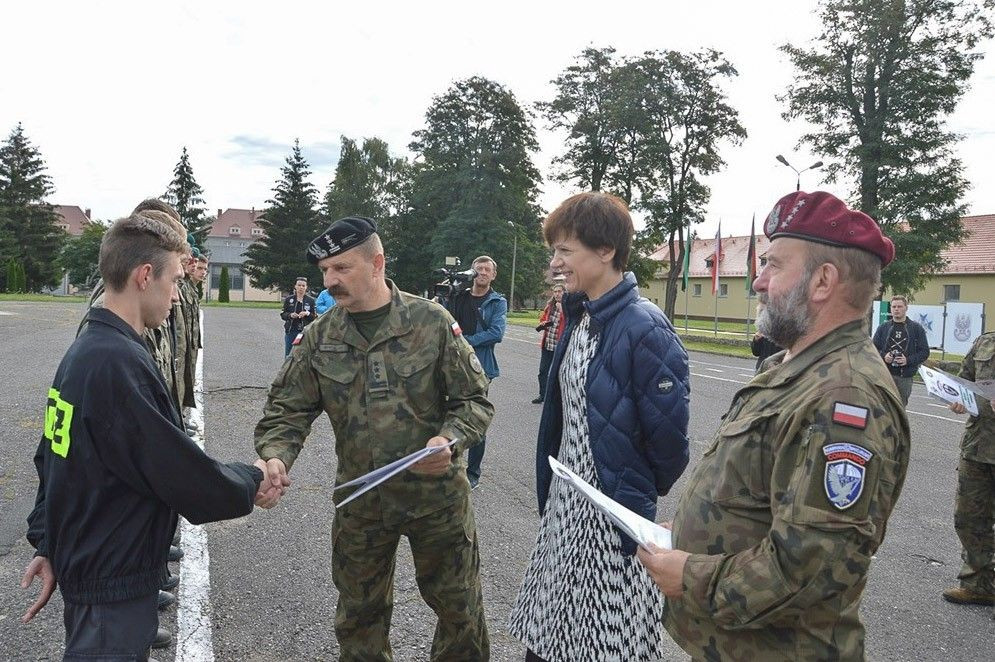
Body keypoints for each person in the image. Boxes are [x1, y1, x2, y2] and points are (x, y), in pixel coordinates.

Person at [638, 190, 911, 661]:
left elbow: (810, 567)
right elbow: (758, 495)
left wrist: (691, 575)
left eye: (773, 265)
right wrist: (689, 533)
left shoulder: (842, 396)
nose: (758, 282)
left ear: (822, 281)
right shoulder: (796, 367)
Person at [21, 212, 270, 660]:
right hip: (111, 581)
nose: (178, 294)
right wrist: (253, 481)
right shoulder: (116, 364)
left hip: (94, 565)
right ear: (144, 276)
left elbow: (53, 457)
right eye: (175, 279)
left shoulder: (89, 350)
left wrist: (48, 541)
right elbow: (176, 470)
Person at [253, 216, 494, 661]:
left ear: (377, 262)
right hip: (362, 501)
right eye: (326, 270)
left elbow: (474, 400)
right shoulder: (320, 337)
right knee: (359, 617)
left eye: (342, 268)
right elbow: (287, 410)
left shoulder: (431, 322)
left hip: (436, 500)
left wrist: (450, 438)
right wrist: (276, 457)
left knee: (461, 614)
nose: (331, 280)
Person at [508, 192, 690, 662]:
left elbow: (670, 446)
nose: (555, 262)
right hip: (569, 508)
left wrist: (628, 492)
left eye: (565, 251)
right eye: (555, 251)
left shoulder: (644, 327)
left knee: (603, 645)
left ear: (605, 251)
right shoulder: (581, 316)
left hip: (612, 517)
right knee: (551, 636)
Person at [445, 255, 507, 488]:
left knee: (475, 418)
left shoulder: (497, 301)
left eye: (486, 269)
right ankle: (449, 466)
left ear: (493, 275)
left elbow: (496, 333)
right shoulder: (458, 296)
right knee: (446, 415)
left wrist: (465, 341)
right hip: (451, 364)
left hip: (480, 367)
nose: (482, 272)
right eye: (478, 268)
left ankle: (473, 473)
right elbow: (443, 321)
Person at [943, 331, 995, 608]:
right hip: (978, 446)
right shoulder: (985, 342)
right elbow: (964, 380)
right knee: (969, 518)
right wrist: (957, 397)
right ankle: (980, 584)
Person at [873, 294, 930, 405]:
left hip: (905, 377)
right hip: (885, 375)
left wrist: (908, 360)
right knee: (881, 408)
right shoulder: (883, 328)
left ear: (906, 308)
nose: (896, 309)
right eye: (894, 307)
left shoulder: (916, 328)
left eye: (899, 306)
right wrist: (884, 356)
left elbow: (924, 352)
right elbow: (872, 349)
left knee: (899, 409)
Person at [532, 284, 565, 404]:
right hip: (547, 344)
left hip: (560, 346)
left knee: (558, 374)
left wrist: (562, 309)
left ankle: (558, 398)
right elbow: (543, 319)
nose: (557, 294)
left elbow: (569, 322)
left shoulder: (568, 307)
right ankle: (543, 395)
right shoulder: (550, 306)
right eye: (555, 291)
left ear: (564, 292)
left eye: (559, 291)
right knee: (543, 372)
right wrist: (543, 323)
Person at [280, 276, 317, 356]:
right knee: (289, 355)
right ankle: (288, 369)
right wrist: (290, 315)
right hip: (291, 331)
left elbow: (314, 317)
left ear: (306, 287)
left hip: (304, 332)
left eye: (303, 286)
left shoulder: (311, 301)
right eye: (299, 285)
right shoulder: (289, 299)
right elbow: (283, 314)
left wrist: (307, 313)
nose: (301, 287)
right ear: (295, 286)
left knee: (303, 355)